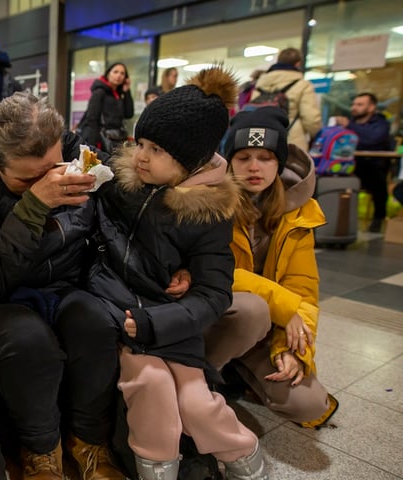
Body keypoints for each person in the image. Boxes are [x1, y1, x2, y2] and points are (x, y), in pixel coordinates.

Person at [87, 66, 270, 480]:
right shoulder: (125, 182)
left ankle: (243, 455)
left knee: (195, 401)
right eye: (141, 142)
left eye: (156, 149)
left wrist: (161, 320)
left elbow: (215, 291)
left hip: (166, 323)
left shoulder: (210, 213)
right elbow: (78, 151)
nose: (140, 156)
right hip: (121, 309)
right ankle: (158, 469)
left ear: (189, 162)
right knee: (150, 385)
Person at [0, 92, 129, 479]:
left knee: (95, 322)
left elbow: (133, 185)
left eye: (53, 168)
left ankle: (89, 442)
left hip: (59, 289)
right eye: (27, 178)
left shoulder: (76, 162)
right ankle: (42, 453)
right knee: (29, 340)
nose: (48, 181)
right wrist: (34, 205)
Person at [204, 106, 339, 430]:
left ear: (279, 162)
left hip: (266, 330)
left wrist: (291, 351)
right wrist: (286, 307)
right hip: (215, 320)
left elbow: (304, 289)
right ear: (229, 161)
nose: (254, 167)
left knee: (308, 404)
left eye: (265, 157)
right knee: (251, 311)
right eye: (244, 156)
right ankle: (202, 377)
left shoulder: (299, 213)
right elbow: (219, 273)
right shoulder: (210, 201)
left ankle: (240, 371)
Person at [333, 93, 393, 232]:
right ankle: (336, 217)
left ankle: (378, 218)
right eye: (353, 104)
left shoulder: (381, 124)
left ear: (371, 107)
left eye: (360, 104)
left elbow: (373, 139)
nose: (354, 107)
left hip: (372, 167)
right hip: (349, 165)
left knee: (378, 181)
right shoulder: (349, 123)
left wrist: (350, 127)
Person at [252, 48, 321, 151]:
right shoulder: (303, 85)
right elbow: (310, 118)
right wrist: (316, 136)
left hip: (262, 137)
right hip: (291, 139)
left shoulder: (261, 83)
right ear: (298, 64)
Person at [78, 62, 134, 153]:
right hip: (101, 140)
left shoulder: (119, 94)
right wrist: (94, 143)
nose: (118, 76)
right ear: (108, 73)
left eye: (122, 73)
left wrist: (127, 91)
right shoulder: (100, 92)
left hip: (116, 138)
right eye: (115, 72)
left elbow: (129, 114)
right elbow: (92, 118)